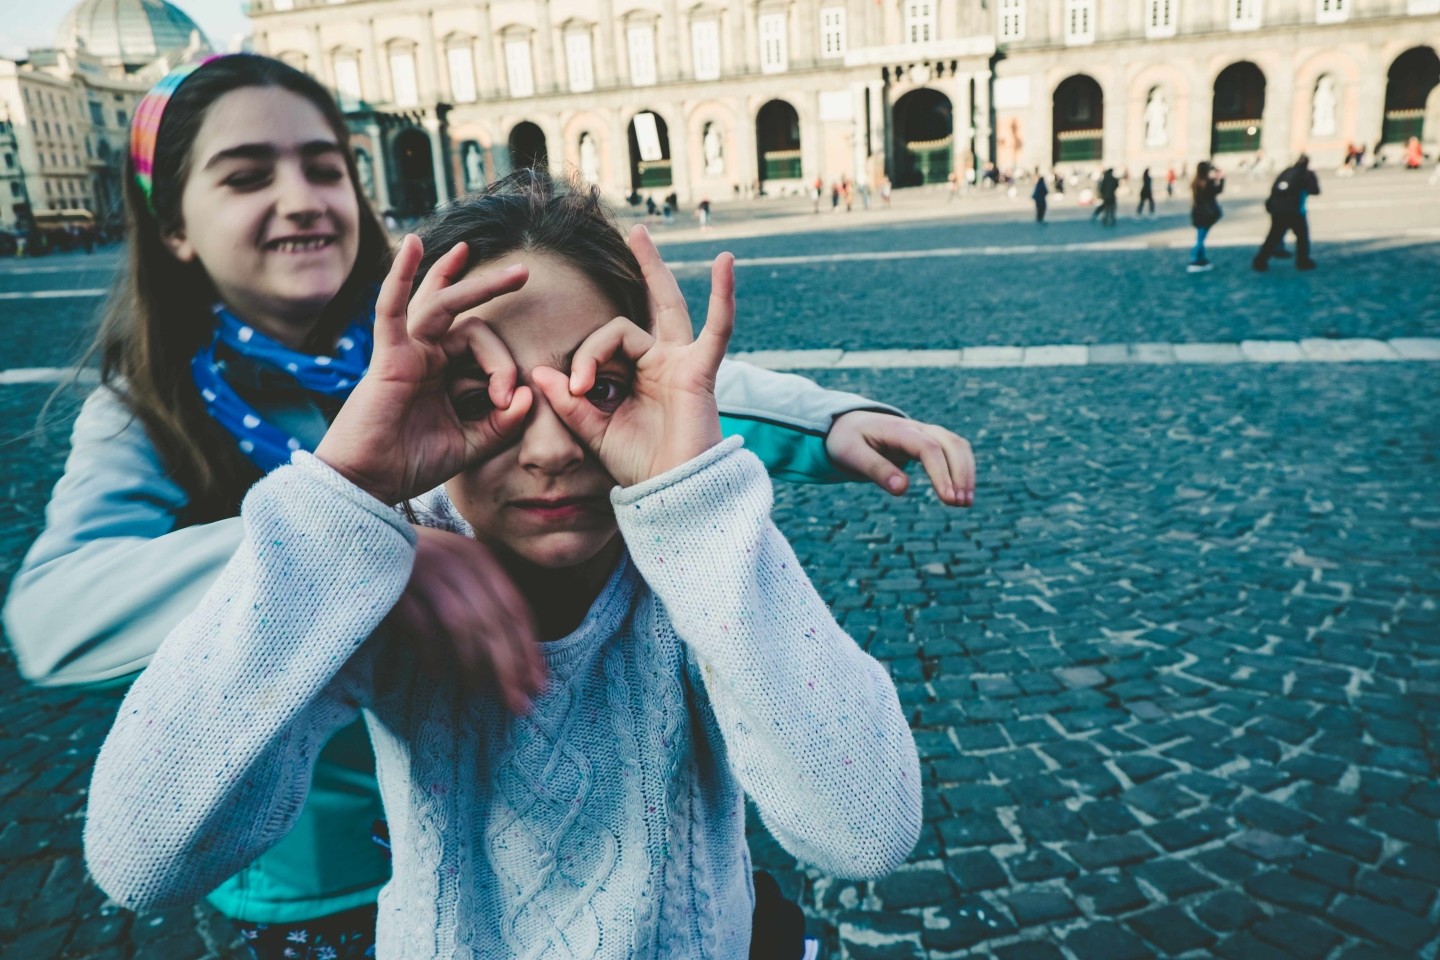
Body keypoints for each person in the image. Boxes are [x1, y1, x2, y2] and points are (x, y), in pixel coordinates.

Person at [6, 55, 975, 960]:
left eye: (325, 165)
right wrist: (344, 521)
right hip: (301, 840)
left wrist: (792, 439)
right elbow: (125, 819)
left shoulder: (445, 312)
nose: (548, 445)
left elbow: (669, 382)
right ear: (169, 222)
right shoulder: (166, 407)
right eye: (478, 401)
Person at [1253, 154, 1319, 272]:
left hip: (1277, 210)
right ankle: (1302, 261)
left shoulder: (1286, 171)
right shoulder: (1306, 174)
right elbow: (1315, 190)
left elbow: (1274, 188)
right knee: (1302, 237)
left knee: (1273, 236)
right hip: (1294, 210)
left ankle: (1260, 260)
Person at [1188, 160, 1224, 273]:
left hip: (1198, 213)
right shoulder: (1207, 183)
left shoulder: (1196, 182)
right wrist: (1221, 178)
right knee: (1200, 239)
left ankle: (1201, 259)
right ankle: (1194, 259)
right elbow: (1218, 190)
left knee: (1201, 238)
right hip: (1206, 214)